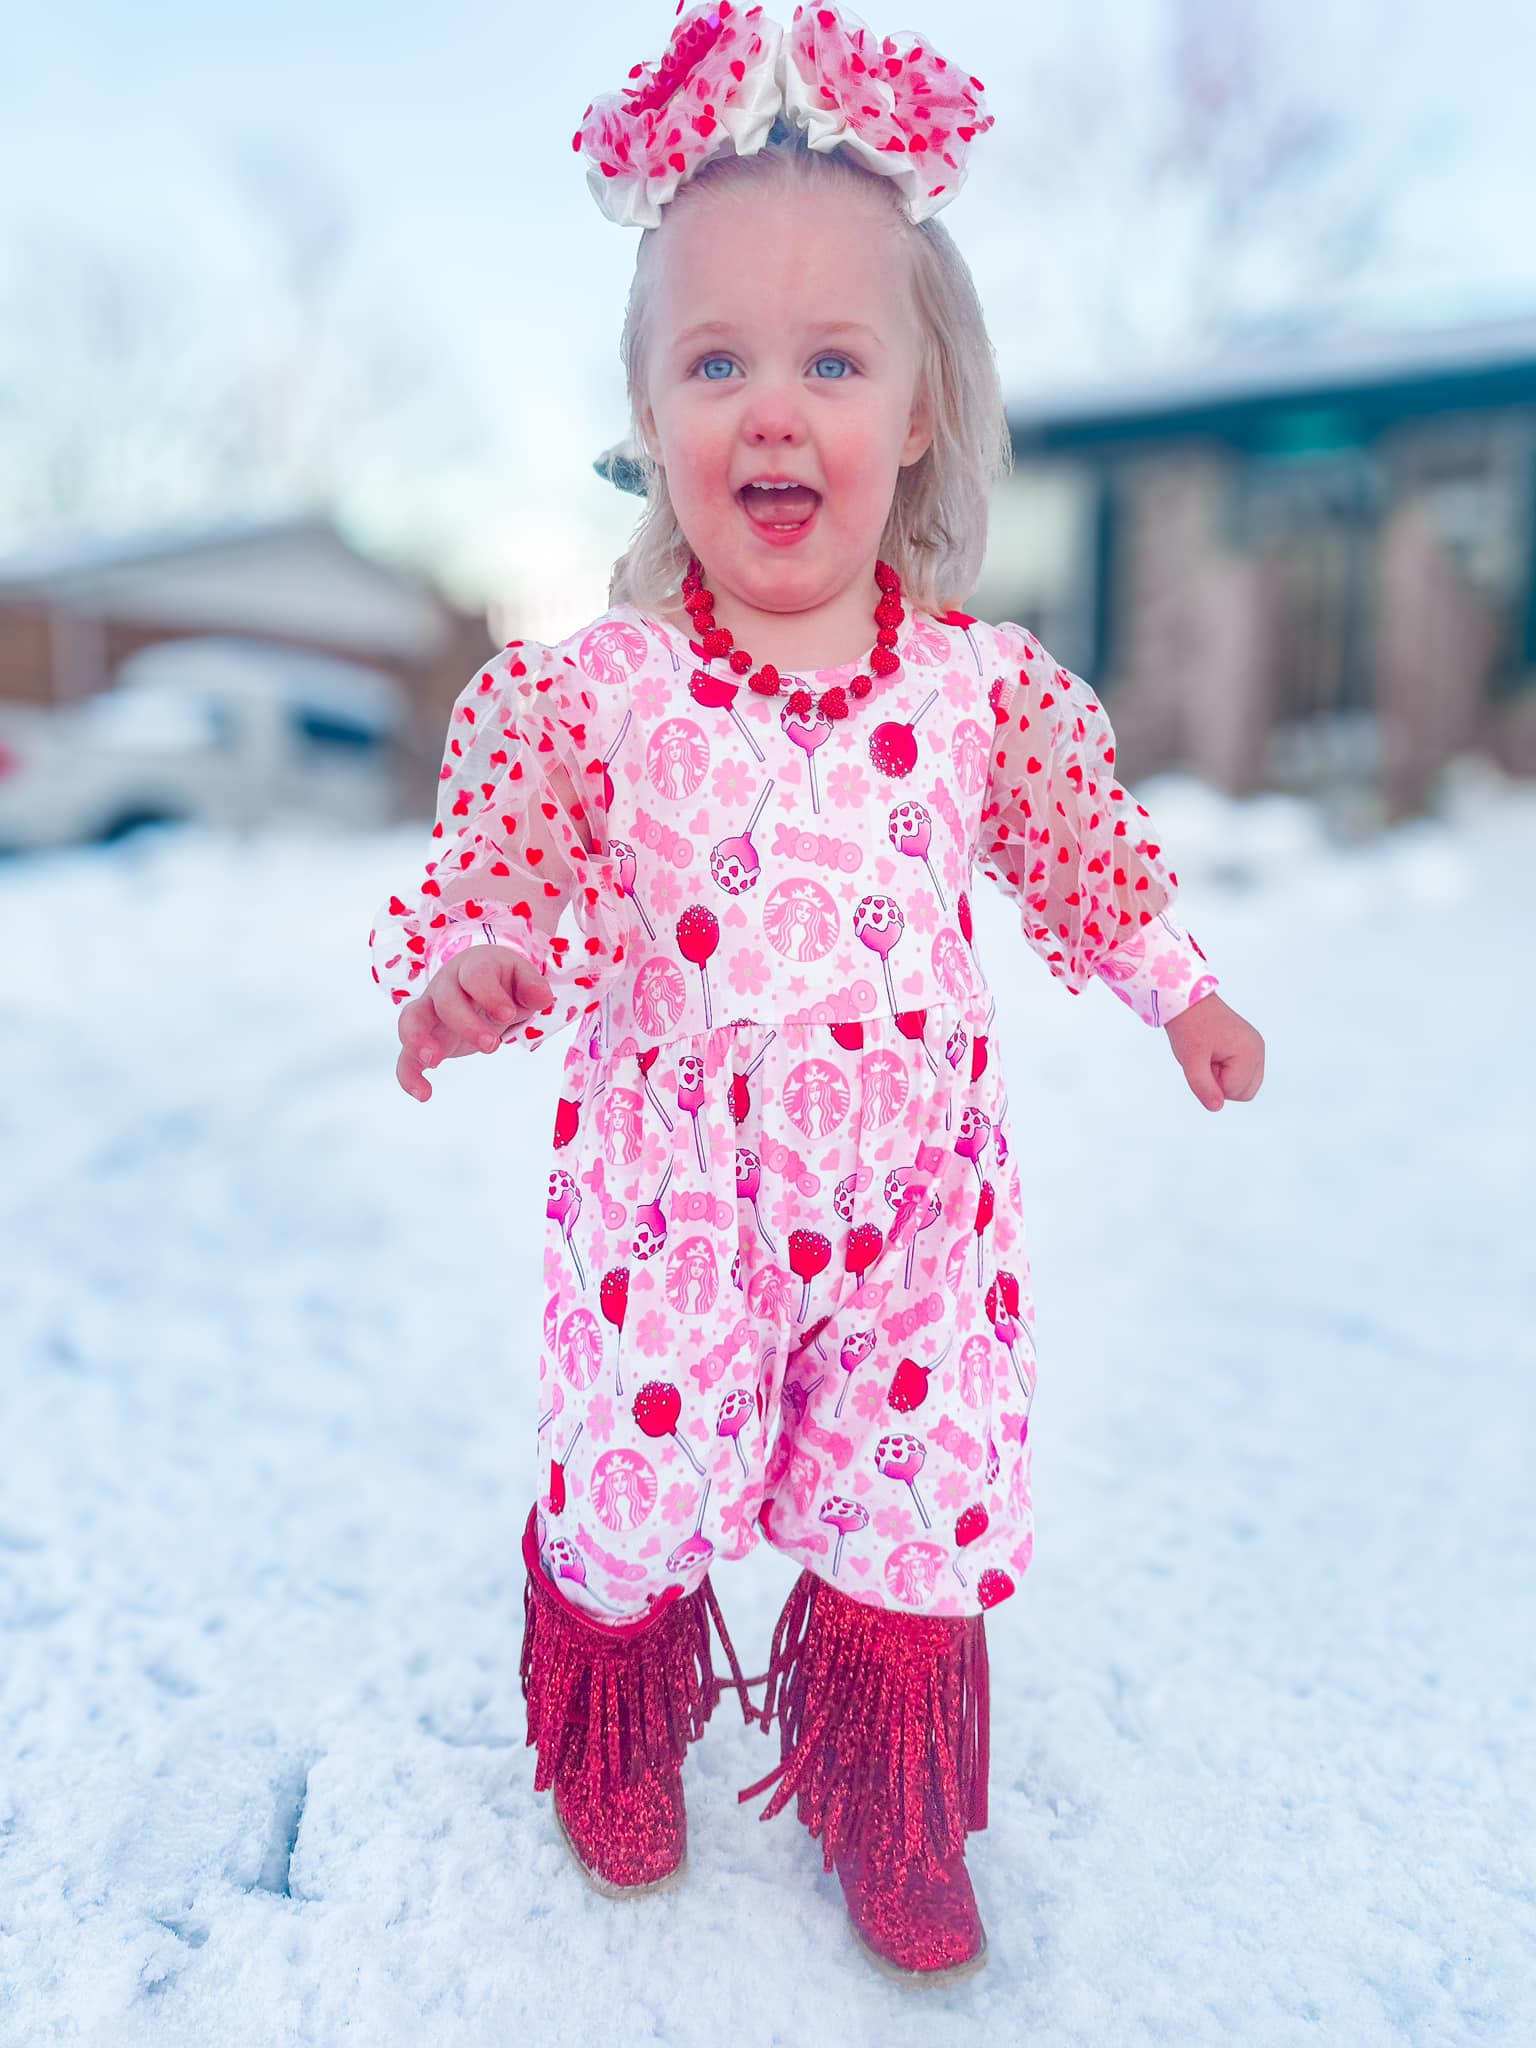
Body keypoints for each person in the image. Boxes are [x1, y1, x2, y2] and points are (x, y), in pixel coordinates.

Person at [367, 0, 1266, 1987]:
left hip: (915, 1211)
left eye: (833, 360)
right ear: (650, 413)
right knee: (639, 1481)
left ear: (924, 410)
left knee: (918, 1497)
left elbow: (1084, 854)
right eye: (719, 363)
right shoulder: (594, 696)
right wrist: (477, 960)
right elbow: (503, 851)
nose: (775, 409)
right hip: (677, 1210)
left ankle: (886, 1785)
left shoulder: (978, 692)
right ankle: (612, 1697)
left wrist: (1177, 985)